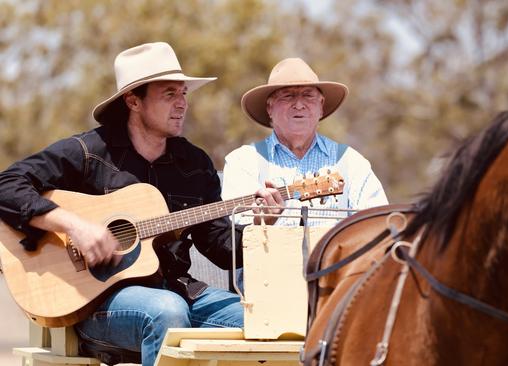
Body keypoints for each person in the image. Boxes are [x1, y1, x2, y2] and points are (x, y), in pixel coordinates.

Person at [0, 42, 282, 366]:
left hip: (181, 291)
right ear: (134, 100)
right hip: (99, 301)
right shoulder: (89, 151)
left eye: (184, 93)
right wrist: (74, 226)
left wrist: (262, 225)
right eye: (169, 95)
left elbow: (219, 247)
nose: (182, 104)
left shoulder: (194, 163)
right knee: (166, 312)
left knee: (267, 320)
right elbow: (7, 185)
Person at [222, 58, 388, 227]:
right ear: (269, 108)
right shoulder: (243, 161)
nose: (299, 105)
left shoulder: (350, 162)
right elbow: (234, 238)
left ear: (321, 106)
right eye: (288, 96)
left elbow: (378, 225)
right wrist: (261, 222)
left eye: (308, 96)